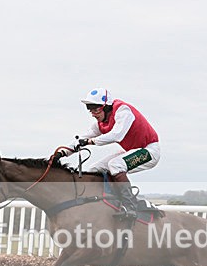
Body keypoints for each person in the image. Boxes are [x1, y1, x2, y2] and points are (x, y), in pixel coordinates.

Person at [60, 88, 160, 220]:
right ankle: (106, 202)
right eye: (90, 109)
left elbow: (117, 135)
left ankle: (131, 207)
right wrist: (62, 153)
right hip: (132, 151)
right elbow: (81, 139)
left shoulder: (123, 111)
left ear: (107, 107)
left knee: (115, 165)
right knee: (94, 170)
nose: (93, 114)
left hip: (149, 151)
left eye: (96, 109)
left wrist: (91, 142)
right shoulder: (100, 124)